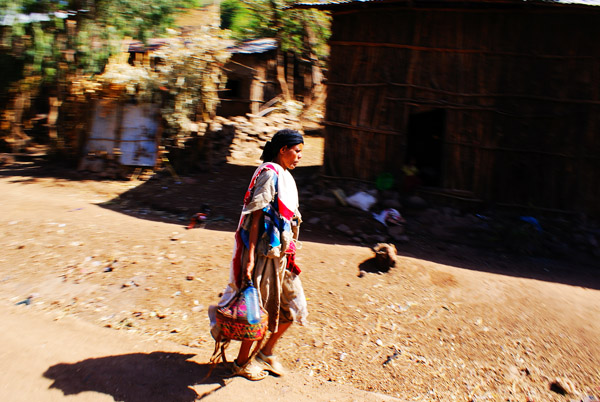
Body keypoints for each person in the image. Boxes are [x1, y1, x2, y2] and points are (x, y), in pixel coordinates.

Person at [208, 129, 308, 381]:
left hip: (282, 255)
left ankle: (265, 353)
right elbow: (256, 218)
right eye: (296, 151)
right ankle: (241, 363)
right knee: (258, 309)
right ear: (283, 149)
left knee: (292, 306)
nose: (299, 157)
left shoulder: (285, 176)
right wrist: (250, 258)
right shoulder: (269, 174)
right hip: (263, 255)